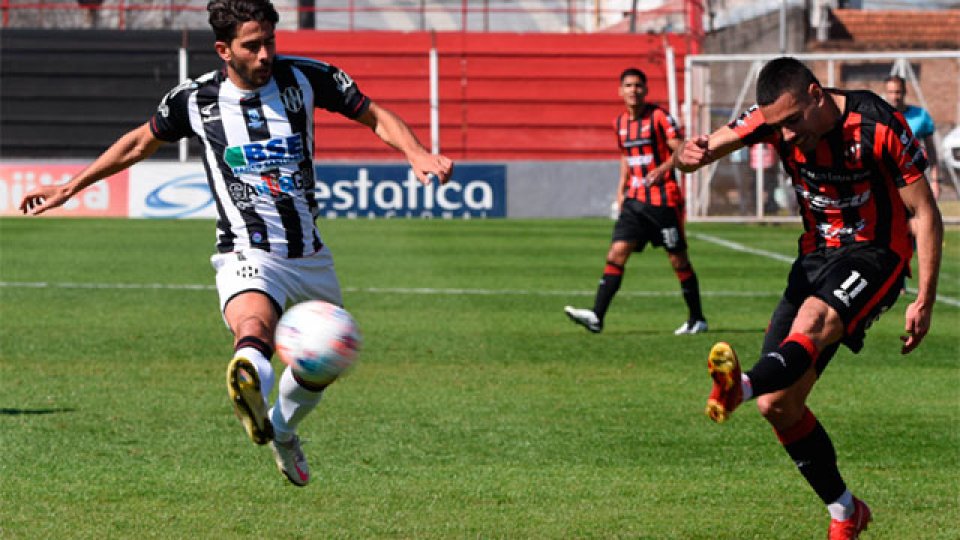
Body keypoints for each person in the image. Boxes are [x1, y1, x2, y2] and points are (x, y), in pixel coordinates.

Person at [18, 0, 453, 487]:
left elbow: (373, 115)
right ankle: (246, 371)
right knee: (254, 328)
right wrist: (69, 187)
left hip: (309, 253)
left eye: (270, 40)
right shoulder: (195, 100)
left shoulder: (306, 78)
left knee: (328, 356)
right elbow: (139, 142)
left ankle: (283, 431)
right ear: (224, 49)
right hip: (246, 250)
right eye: (253, 45)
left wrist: (417, 152)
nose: (266, 54)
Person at [674, 57, 942, 539]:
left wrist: (924, 296)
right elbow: (700, 150)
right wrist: (684, 156)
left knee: (815, 321)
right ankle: (845, 512)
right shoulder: (774, 120)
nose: (788, 136)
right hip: (815, 258)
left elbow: (924, 211)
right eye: (778, 126)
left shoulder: (879, 124)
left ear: (816, 95)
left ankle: (742, 386)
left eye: (794, 121)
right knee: (778, 406)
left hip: (877, 253)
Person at [564, 67, 707, 336]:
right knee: (616, 253)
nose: (633, 90)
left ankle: (697, 318)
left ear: (646, 90)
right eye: (628, 86)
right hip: (634, 201)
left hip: (664, 200)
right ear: (620, 91)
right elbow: (625, 157)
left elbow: (681, 148)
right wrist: (621, 189)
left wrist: (663, 170)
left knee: (678, 260)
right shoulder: (619, 124)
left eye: (638, 86)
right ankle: (597, 316)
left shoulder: (660, 117)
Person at [884, 75, 940, 199]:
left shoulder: (921, 116)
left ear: (905, 92)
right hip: (887, 179)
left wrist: (935, 180)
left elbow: (931, 150)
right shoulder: (879, 116)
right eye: (891, 92)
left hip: (914, 178)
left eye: (898, 92)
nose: (894, 97)